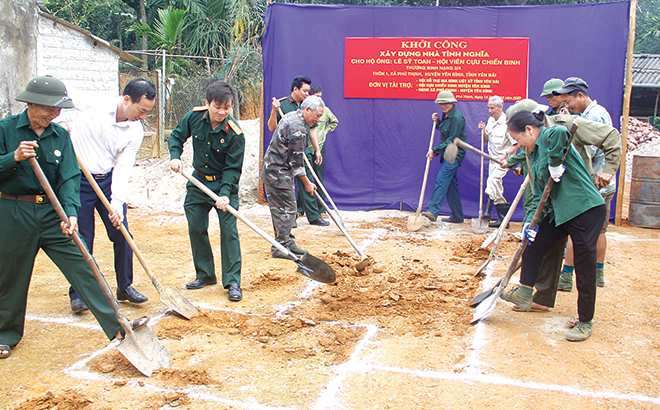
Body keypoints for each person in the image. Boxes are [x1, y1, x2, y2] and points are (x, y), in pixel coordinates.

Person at [0, 76, 148, 359]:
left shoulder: (60, 136)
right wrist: (13, 158)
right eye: (50, 109)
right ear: (32, 103)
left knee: (84, 263)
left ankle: (117, 326)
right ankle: (5, 334)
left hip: (52, 213)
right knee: (11, 275)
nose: (54, 115)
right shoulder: (5, 130)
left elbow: (69, 177)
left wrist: (70, 211)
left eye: (58, 110)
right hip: (14, 211)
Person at [501, 99, 620, 313]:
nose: (518, 144)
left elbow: (559, 133)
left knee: (584, 266)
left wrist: (555, 163)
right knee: (532, 240)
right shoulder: (534, 153)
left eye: (518, 139)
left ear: (529, 129)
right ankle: (525, 292)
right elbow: (538, 193)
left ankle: (585, 320)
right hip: (562, 211)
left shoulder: (549, 133)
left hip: (585, 209)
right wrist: (531, 222)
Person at [63, 78, 156, 313]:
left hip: (107, 179)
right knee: (83, 238)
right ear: (127, 100)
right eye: (142, 110)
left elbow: (124, 167)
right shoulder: (94, 104)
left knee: (122, 232)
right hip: (79, 179)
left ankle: (125, 287)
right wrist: (60, 122)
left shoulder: (135, 130)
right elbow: (59, 97)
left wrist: (116, 204)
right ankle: (80, 293)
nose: (143, 116)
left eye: (148, 111)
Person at [169, 81, 244, 302]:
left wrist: (225, 194)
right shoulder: (194, 117)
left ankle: (232, 281)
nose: (222, 112)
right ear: (207, 103)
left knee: (229, 231)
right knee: (196, 226)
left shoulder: (235, 133)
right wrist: (175, 156)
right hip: (198, 182)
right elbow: (176, 136)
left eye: (227, 108)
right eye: (217, 106)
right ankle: (205, 274)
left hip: (224, 186)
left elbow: (233, 168)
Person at [555, 77, 615, 290]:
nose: (567, 105)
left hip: (596, 183)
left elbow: (594, 149)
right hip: (600, 183)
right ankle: (598, 274)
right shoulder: (590, 114)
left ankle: (567, 276)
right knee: (598, 231)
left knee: (579, 230)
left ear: (580, 95)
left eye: (569, 100)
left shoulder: (594, 116)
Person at [260, 95, 324, 258]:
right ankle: (281, 246)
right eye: (317, 116)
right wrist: (307, 183)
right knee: (287, 209)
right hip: (277, 173)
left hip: (275, 170)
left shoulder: (293, 116)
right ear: (307, 110)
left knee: (282, 209)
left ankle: (286, 242)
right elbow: (296, 163)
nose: (317, 120)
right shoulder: (297, 128)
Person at [268, 76, 327, 227]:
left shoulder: (310, 106)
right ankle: (290, 218)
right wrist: (274, 111)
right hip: (287, 154)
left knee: (308, 181)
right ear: (295, 89)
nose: (308, 93)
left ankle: (313, 215)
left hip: (304, 149)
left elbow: (312, 130)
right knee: (290, 184)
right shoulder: (282, 105)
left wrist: (317, 150)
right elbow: (272, 127)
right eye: (305, 90)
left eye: (308, 91)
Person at [421, 90, 466, 224]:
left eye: (446, 103)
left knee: (442, 179)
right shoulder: (447, 116)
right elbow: (445, 129)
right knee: (451, 186)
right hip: (447, 152)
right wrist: (438, 122)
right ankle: (457, 216)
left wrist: (434, 150)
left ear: (452, 102)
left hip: (454, 153)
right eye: (441, 103)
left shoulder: (457, 118)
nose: (443, 105)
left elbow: (452, 139)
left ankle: (433, 211)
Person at [299, 85, 339, 219]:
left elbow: (334, 122)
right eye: (316, 97)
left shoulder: (325, 110)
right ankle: (301, 208)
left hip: (319, 147)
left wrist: (324, 134)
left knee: (318, 179)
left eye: (321, 96)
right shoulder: (304, 113)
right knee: (305, 179)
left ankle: (320, 208)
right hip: (305, 148)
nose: (318, 119)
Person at [478, 95, 513, 228]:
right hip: (492, 159)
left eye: (492, 108)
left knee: (492, 181)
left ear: (500, 107)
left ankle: (487, 212)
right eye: (488, 107)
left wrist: (506, 155)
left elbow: (515, 143)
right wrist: (483, 131)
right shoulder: (490, 121)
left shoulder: (507, 124)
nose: (490, 110)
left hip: (504, 161)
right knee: (497, 189)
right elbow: (487, 139)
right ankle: (503, 220)